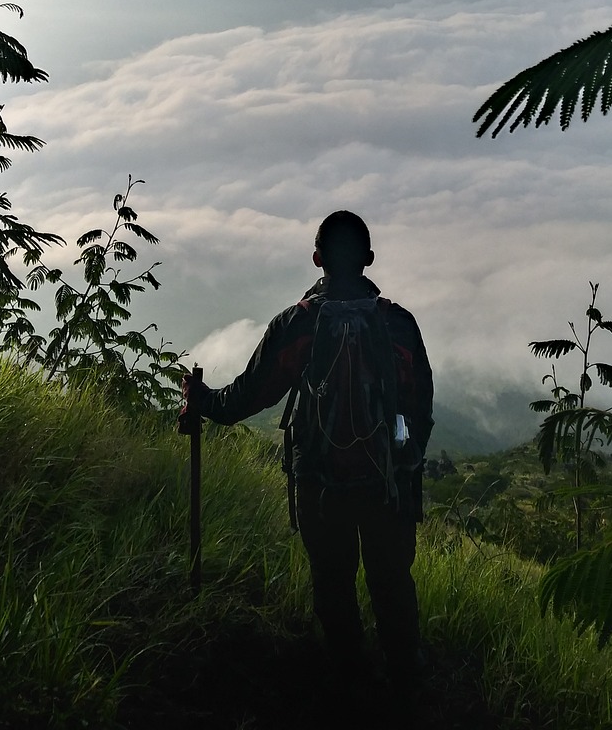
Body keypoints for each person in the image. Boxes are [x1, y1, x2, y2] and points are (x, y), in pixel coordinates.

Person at [184, 210, 434, 689]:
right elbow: (420, 407)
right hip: (389, 487)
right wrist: (404, 462)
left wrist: (200, 399)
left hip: (321, 485)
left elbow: (245, 398)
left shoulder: (298, 326)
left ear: (317, 258)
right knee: (392, 583)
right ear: (369, 259)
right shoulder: (399, 325)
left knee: (333, 586)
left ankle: (350, 683)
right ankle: (407, 673)